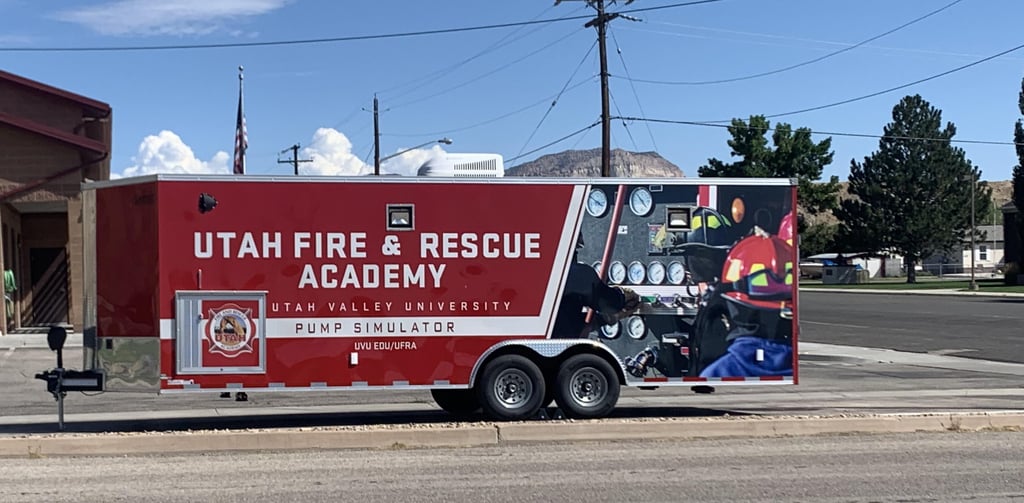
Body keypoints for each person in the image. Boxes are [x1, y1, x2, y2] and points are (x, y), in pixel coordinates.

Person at [551, 233, 640, 339]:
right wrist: (622, 297)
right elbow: (610, 304)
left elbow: (566, 321)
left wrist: (602, 319)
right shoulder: (575, 274)